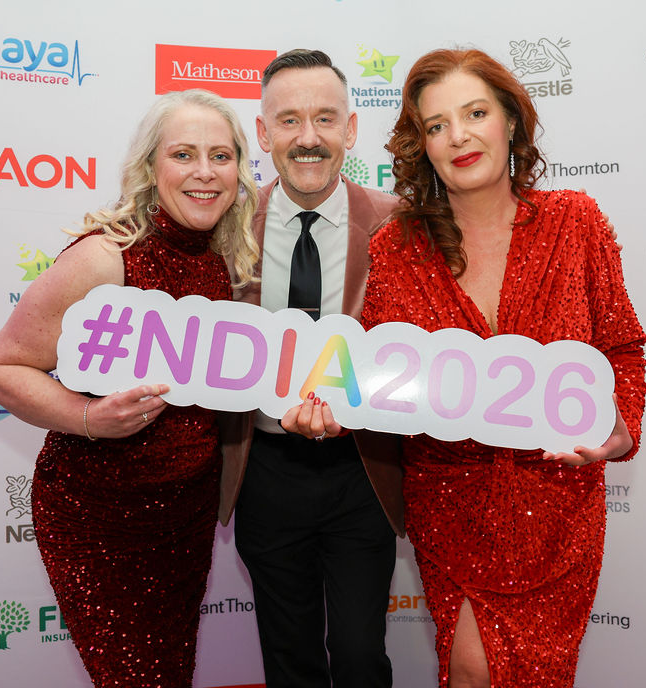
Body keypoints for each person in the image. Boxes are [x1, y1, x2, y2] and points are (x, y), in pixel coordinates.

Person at [288, 48, 646, 688]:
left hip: (558, 508)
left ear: (510, 120)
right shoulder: (398, 249)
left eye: (475, 113)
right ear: (422, 145)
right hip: (452, 505)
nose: (458, 136)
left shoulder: (576, 222)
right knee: (471, 670)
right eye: (437, 124)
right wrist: (334, 414)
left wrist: (621, 430)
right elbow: (381, 381)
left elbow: (622, 347)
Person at [0, 89, 259, 688]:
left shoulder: (219, 260)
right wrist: (88, 418)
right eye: (183, 154)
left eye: (221, 156)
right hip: (100, 519)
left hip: (185, 517)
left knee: (170, 671)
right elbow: (0, 369)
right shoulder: (108, 258)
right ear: (151, 167)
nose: (205, 172)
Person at [215, 49, 403, 688]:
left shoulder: (398, 225)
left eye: (325, 118)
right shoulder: (226, 227)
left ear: (351, 129)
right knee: (288, 657)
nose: (308, 138)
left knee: (359, 656)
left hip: (362, 470)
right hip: (265, 472)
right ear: (263, 133)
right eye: (289, 120)